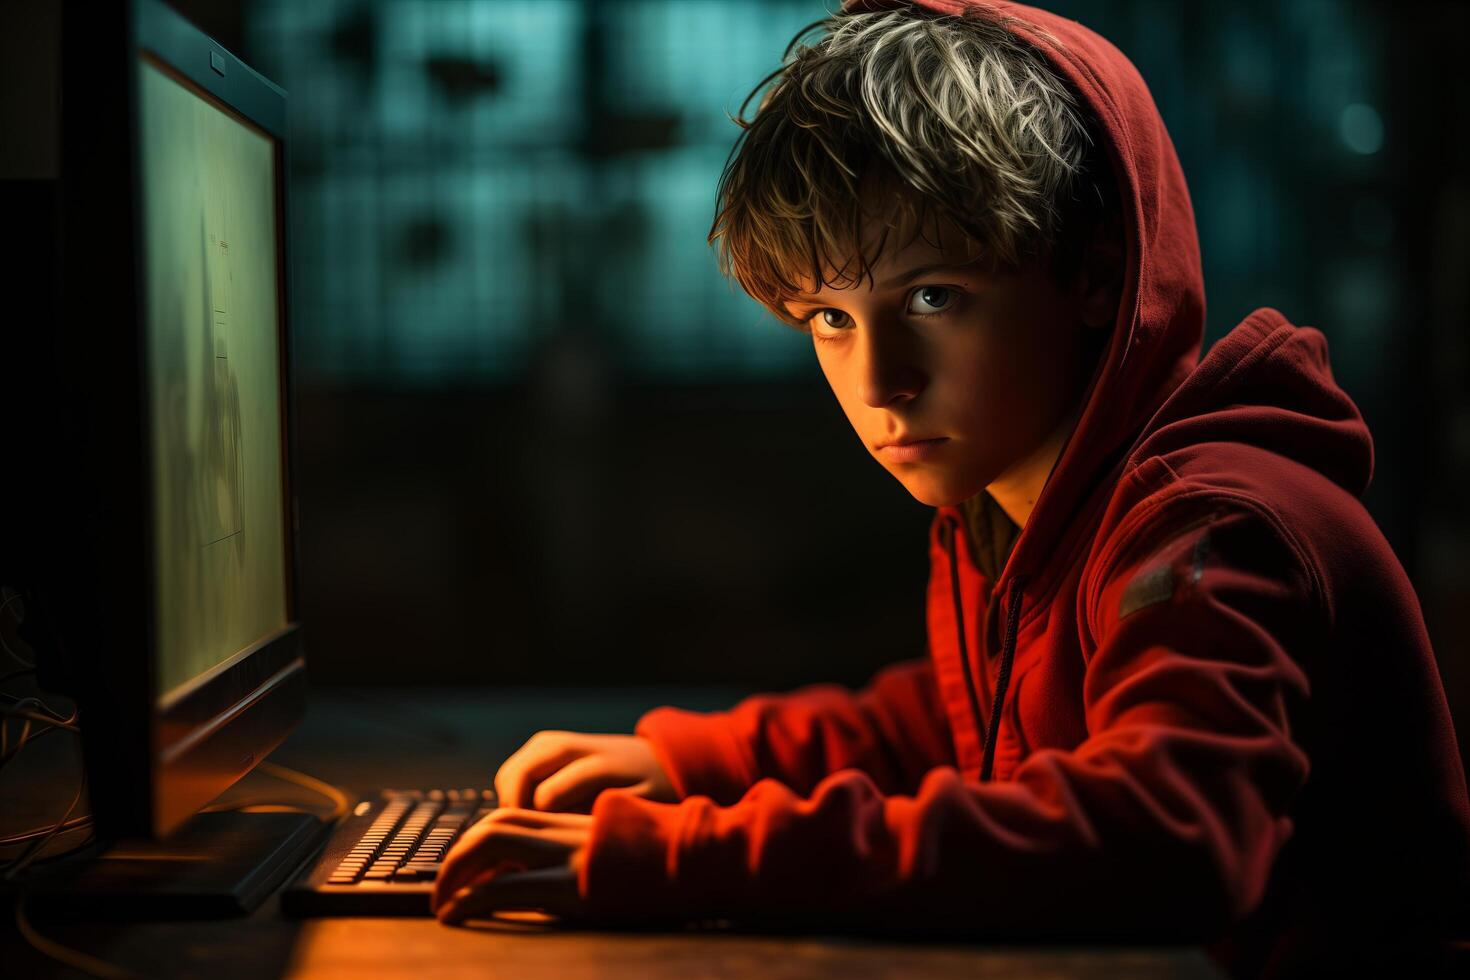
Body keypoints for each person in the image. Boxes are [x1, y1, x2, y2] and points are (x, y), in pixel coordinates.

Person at [431, 2, 1470, 975]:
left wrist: (689, 850)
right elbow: (963, 726)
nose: (880, 381)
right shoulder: (1026, 501)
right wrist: (695, 758)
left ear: (1097, 274)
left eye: (935, 295)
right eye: (828, 318)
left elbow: (1169, 836)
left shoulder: (1208, 527)